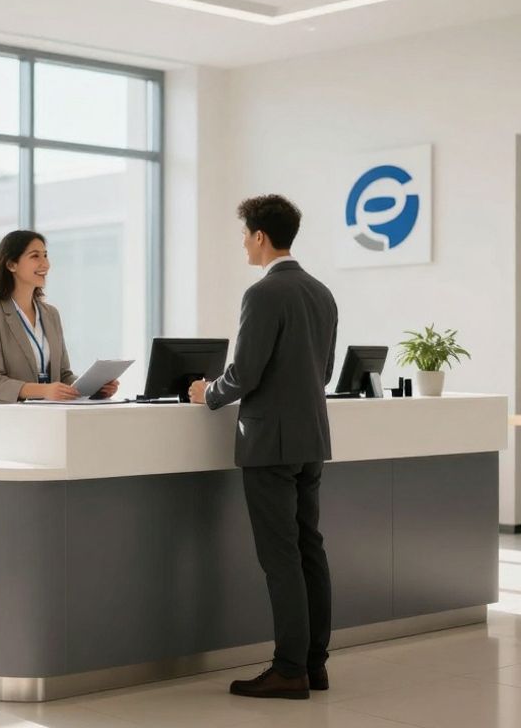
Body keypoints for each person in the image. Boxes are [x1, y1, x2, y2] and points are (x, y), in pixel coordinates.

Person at [188, 194, 338, 700]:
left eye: (244, 236)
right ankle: (315, 664)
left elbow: (245, 373)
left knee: (281, 559)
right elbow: (325, 373)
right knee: (309, 550)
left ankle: (289, 669)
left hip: (270, 443)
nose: (243, 246)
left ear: (259, 235)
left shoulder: (263, 294)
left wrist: (206, 393)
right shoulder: (321, 292)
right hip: (310, 438)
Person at [0, 230, 119, 404]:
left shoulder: (51, 314)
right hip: (7, 417)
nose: (45, 264)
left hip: (50, 414)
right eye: (35, 256)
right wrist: (44, 390)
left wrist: (96, 388)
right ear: (11, 264)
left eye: (45, 256)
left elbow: (64, 375)